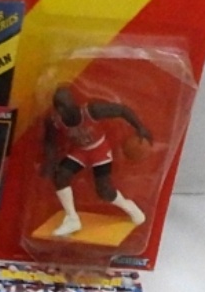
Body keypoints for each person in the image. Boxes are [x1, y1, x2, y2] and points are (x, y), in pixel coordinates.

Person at [43, 85, 152, 237]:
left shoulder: (91, 111)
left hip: (99, 149)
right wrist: (50, 161)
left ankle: (129, 206)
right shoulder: (54, 120)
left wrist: (140, 127)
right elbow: (50, 142)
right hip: (80, 151)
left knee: (104, 190)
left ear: (73, 104)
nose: (62, 111)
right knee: (60, 176)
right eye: (59, 107)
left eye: (65, 106)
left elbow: (122, 110)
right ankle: (72, 218)